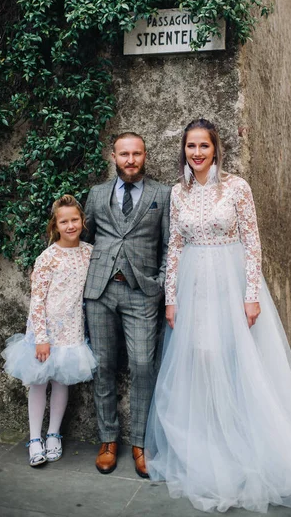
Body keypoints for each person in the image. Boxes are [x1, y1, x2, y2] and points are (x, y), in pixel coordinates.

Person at [145, 119, 291, 513]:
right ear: (183, 150)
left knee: (235, 360)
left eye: (203, 145)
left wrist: (251, 295)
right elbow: (175, 247)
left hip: (232, 285)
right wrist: (171, 298)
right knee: (200, 359)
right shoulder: (176, 193)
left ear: (216, 148)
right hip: (192, 287)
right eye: (190, 146)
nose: (197, 153)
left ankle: (242, 439)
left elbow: (253, 243)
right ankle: (208, 441)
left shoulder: (237, 187)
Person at [84, 132, 170, 478]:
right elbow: (84, 241)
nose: (130, 160)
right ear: (114, 156)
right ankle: (107, 441)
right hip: (101, 292)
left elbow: (169, 245)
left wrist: (159, 284)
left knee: (142, 366)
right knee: (102, 365)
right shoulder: (97, 194)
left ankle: (140, 442)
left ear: (145, 156)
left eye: (136, 154)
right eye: (124, 154)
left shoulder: (161, 195)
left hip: (142, 293)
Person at [2, 194, 97, 467]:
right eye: (64, 221)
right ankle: (34, 438)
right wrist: (41, 338)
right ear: (55, 225)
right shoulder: (48, 258)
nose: (70, 226)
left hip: (72, 330)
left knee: (61, 381)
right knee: (39, 382)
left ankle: (54, 433)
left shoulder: (89, 253)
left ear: (82, 221)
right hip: (45, 332)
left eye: (74, 220)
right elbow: (37, 300)